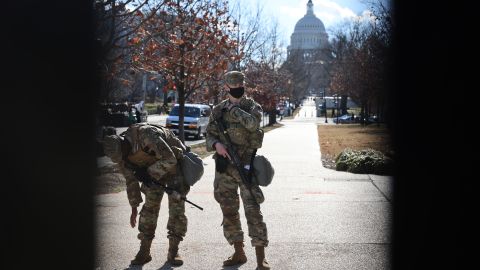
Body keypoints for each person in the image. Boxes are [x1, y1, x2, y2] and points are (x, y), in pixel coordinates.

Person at [205, 71, 271, 270]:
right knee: (228, 210)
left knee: (253, 210)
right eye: (233, 85)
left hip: (245, 166)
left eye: (240, 84)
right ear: (226, 87)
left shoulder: (252, 107)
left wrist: (233, 110)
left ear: (244, 85)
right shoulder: (217, 110)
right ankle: (239, 252)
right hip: (224, 168)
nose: (237, 87)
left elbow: (253, 124)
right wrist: (216, 144)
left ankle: (261, 258)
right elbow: (208, 133)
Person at [103, 123, 190, 266]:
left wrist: (148, 173)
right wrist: (134, 206)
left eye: (123, 154)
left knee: (177, 209)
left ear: (123, 143)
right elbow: (130, 180)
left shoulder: (147, 135)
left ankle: (174, 251)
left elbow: (170, 159)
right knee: (149, 209)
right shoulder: (121, 156)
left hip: (174, 166)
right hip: (152, 171)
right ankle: (144, 251)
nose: (124, 158)